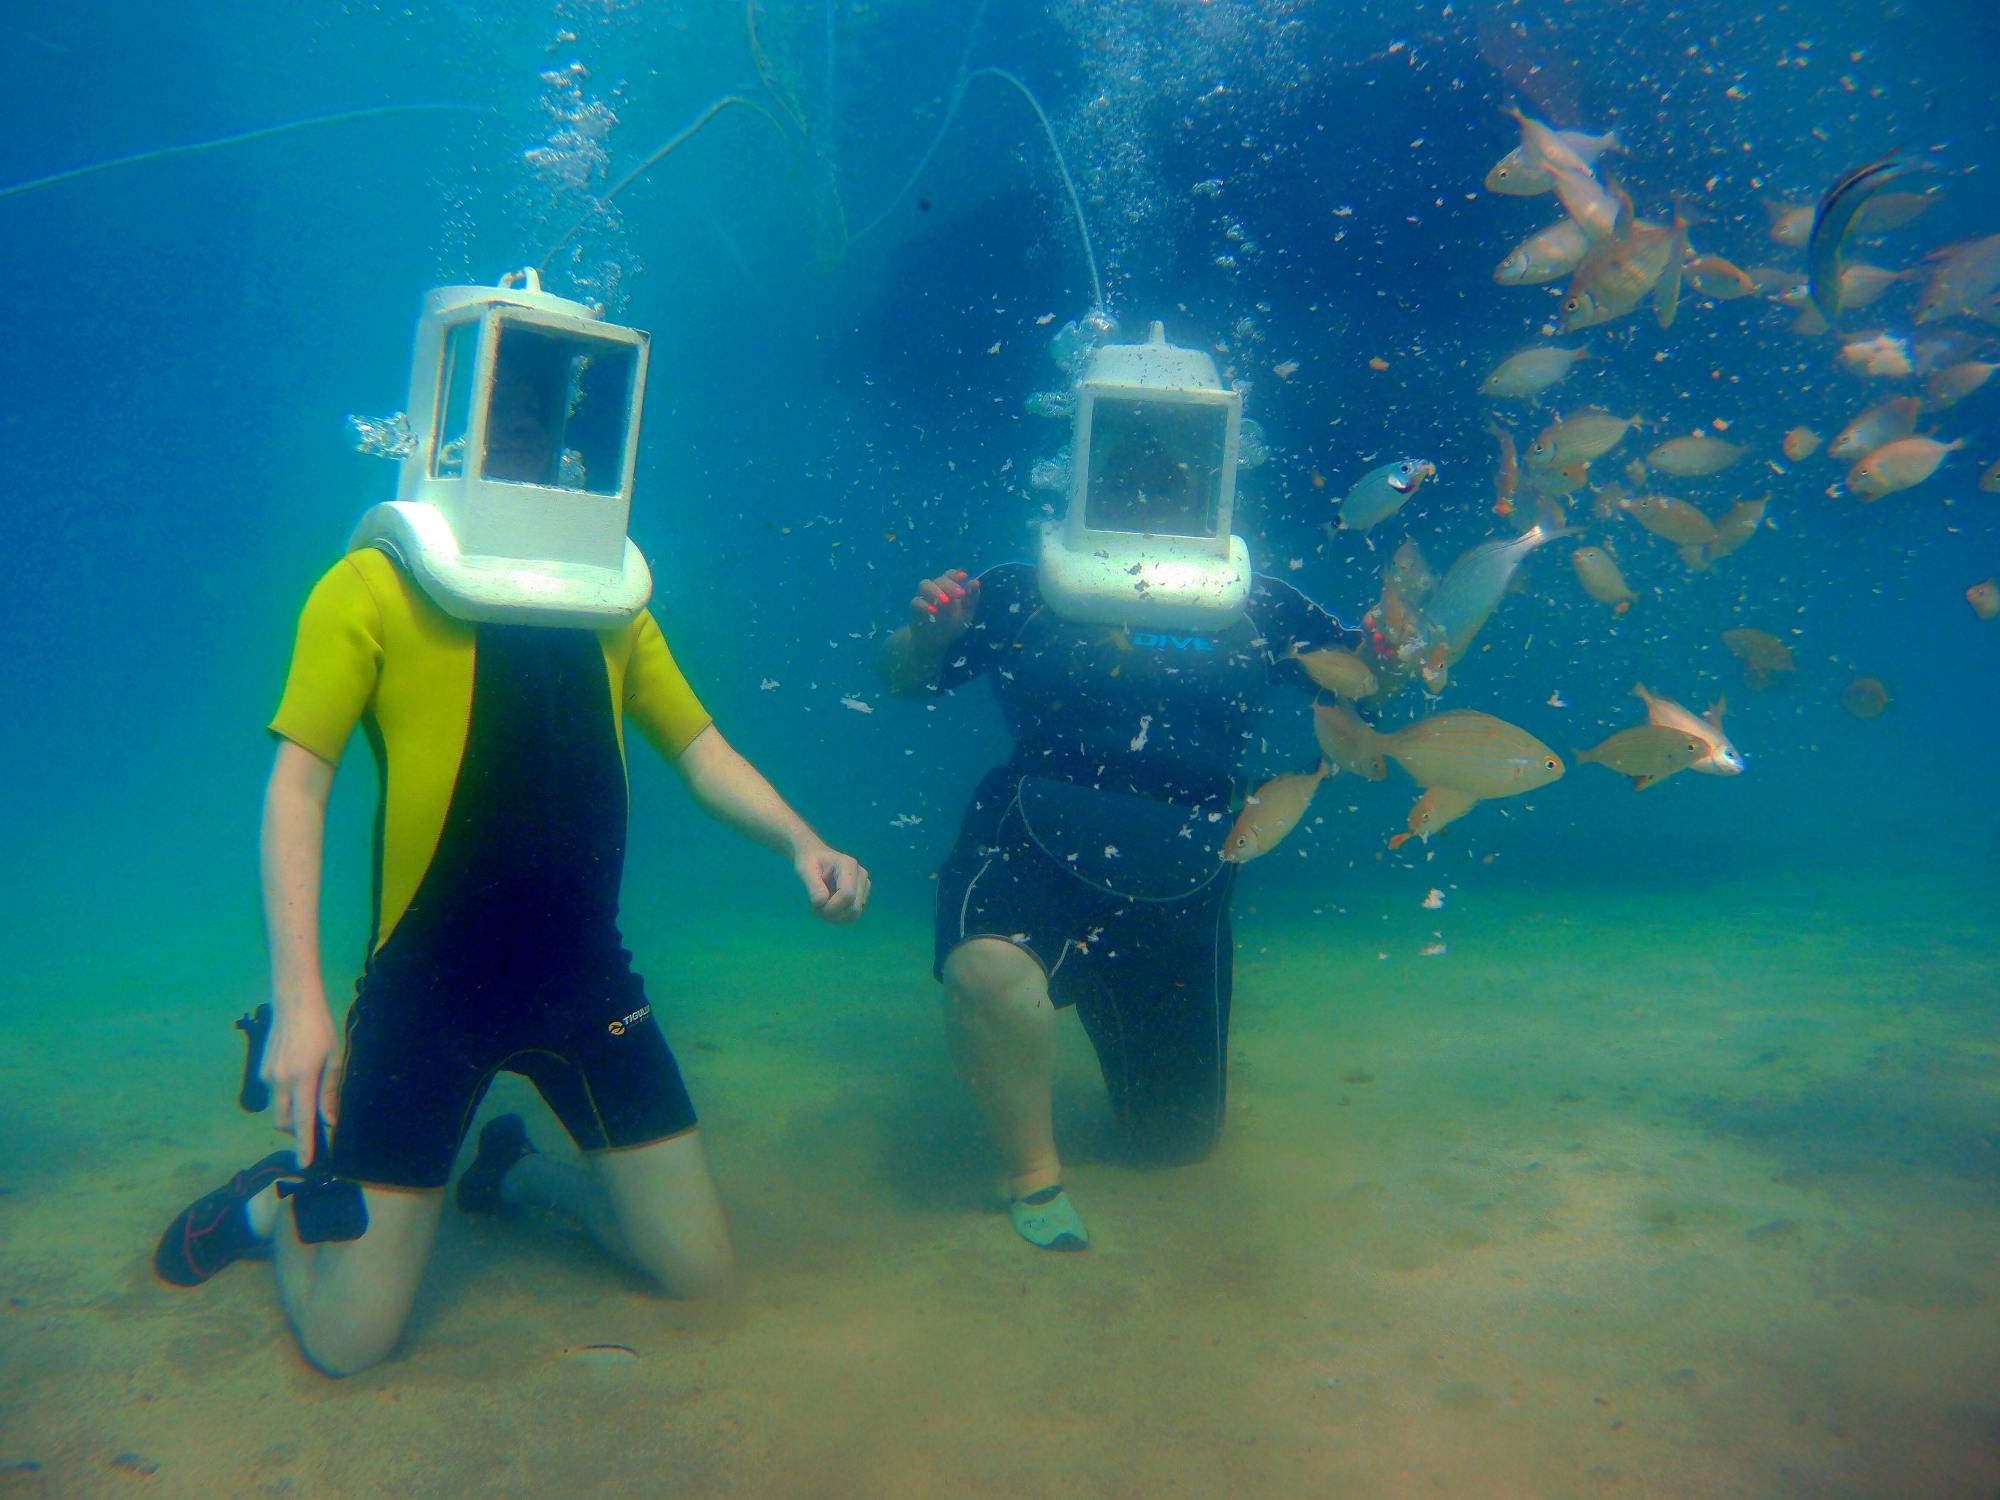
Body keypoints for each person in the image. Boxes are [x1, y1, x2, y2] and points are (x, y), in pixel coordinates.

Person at [154, 271, 870, 1375]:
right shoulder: (371, 583)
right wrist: (300, 1000)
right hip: (427, 990)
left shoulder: (609, 602)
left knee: (697, 1272)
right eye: (501, 397)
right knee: (349, 1344)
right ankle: (274, 1202)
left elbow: (700, 747)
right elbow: (297, 785)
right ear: (446, 415)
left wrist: (803, 841)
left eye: (542, 401)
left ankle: (518, 1169)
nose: (524, 422)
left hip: (588, 982)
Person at [879, 322, 1358, 1251]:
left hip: (1184, 866)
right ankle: (1032, 1173)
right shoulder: (1018, 588)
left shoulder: (1260, 603)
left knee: (1173, 1143)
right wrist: (927, 637)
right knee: (986, 970)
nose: (1149, 464)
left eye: (1177, 444)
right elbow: (898, 677)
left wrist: (1395, 648)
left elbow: (1364, 675)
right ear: (1082, 451)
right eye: (1121, 440)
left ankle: (1111, 1021)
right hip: (1031, 829)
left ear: (1218, 458)